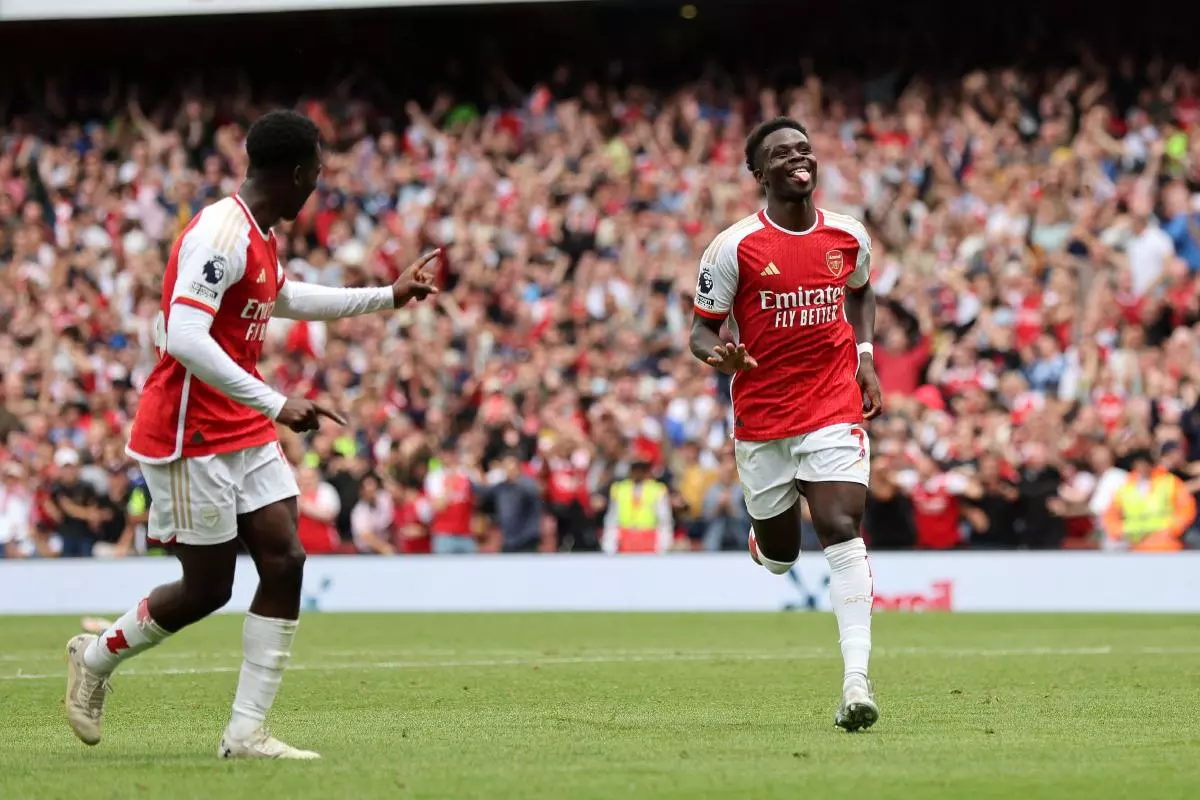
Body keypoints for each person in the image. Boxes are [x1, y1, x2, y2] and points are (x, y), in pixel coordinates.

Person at [63, 110, 439, 760]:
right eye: (317, 172)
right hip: (189, 433)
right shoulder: (221, 233)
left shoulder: (259, 236)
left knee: (286, 560)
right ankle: (96, 658)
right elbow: (183, 337)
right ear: (295, 174)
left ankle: (245, 734)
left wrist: (387, 296)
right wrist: (275, 400)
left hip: (238, 426)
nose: (319, 184)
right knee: (209, 589)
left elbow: (283, 296)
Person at [689, 117, 882, 731]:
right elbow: (701, 329)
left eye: (804, 148)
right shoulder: (733, 247)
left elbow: (861, 292)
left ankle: (857, 683)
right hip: (763, 417)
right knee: (779, 554)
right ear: (760, 173)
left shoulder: (848, 235)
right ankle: (764, 543)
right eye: (782, 153)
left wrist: (866, 358)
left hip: (832, 403)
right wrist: (718, 355)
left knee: (839, 523)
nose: (799, 157)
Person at [601, 457, 674, 554]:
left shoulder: (657, 490)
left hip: (649, 542)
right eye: (635, 469)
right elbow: (612, 518)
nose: (638, 472)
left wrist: (664, 545)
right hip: (625, 541)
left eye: (641, 469)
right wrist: (609, 544)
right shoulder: (620, 489)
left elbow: (664, 520)